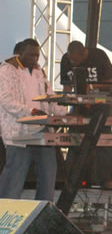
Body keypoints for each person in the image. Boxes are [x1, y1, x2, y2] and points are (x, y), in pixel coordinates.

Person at [0, 38, 67, 201]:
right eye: (30, 55)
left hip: (41, 127)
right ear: (19, 53)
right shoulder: (6, 70)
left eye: (37, 56)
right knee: (15, 174)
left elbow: (49, 98)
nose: (34, 59)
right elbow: (6, 100)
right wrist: (30, 111)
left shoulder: (39, 72)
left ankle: (44, 210)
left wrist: (63, 112)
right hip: (18, 129)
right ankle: (5, 213)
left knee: (49, 172)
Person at [60, 40, 112, 189]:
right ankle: (74, 177)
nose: (73, 63)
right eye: (71, 60)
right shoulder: (66, 60)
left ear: (84, 53)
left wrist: (91, 86)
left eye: (76, 60)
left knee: (104, 141)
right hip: (79, 106)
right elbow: (67, 86)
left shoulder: (99, 56)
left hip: (101, 105)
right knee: (75, 140)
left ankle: (106, 179)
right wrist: (67, 106)